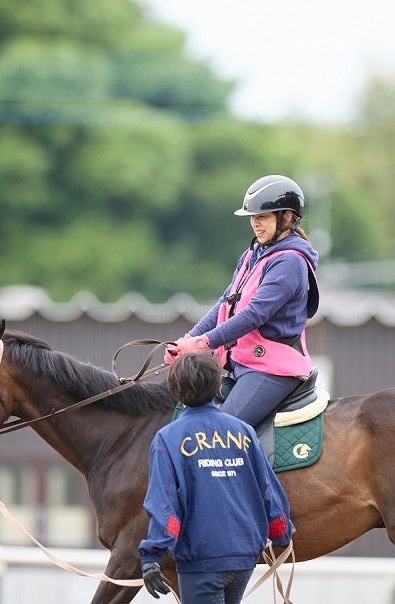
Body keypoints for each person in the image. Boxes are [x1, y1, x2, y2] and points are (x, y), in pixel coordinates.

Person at [164, 174, 320, 427]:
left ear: (287, 218)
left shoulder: (289, 261)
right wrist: (187, 340)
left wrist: (203, 342)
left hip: (271, 369)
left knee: (219, 432)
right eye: (253, 217)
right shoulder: (252, 254)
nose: (255, 223)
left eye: (263, 217)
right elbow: (225, 302)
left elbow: (254, 314)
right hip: (242, 365)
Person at [139, 351, 294, 603]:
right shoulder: (244, 431)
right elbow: (267, 488)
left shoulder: (168, 438)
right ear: (216, 386)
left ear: (175, 389)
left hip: (202, 560)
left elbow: (165, 504)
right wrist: (281, 532)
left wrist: (151, 557)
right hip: (243, 558)